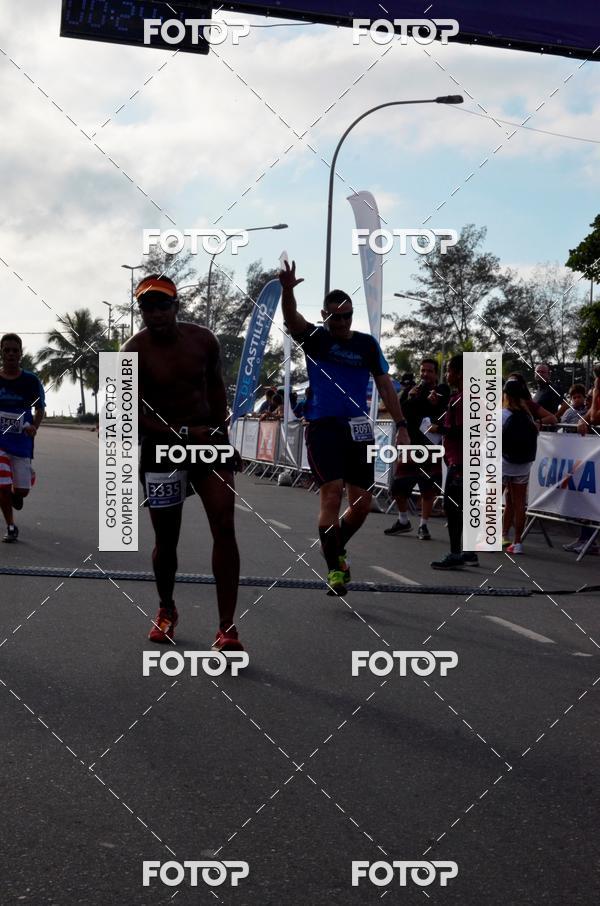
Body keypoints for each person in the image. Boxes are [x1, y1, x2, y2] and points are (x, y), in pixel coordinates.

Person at [122, 275, 244, 650]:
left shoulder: (204, 339)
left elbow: (216, 388)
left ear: (176, 307)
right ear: (140, 311)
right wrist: (177, 433)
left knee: (224, 523)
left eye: (162, 306)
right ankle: (167, 608)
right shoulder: (130, 350)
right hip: (163, 446)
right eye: (147, 307)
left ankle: (227, 627)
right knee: (166, 539)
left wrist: (220, 431)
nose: (155, 313)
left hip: (207, 441)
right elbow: (124, 411)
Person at [279, 260, 410, 596]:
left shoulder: (366, 345)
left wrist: (401, 425)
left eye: (346, 316)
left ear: (352, 315)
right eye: (334, 316)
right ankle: (336, 569)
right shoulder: (316, 339)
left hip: (359, 430)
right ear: (324, 315)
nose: (340, 322)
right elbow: (292, 319)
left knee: (363, 503)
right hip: (323, 427)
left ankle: (333, 548)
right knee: (332, 496)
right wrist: (287, 290)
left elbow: (385, 386)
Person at [384, 357, 449, 539]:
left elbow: (442, 409)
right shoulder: (410, 391)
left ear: (436, 374)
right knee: (397, 487)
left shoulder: (442, 391)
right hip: (410, 445)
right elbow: (402, 413)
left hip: (430, 447)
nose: (425, 374)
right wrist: (412, 397)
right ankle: (403, 520)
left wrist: (431, 402)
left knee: (427, 489)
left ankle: (424, 525)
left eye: (429, 371)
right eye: (423, 371)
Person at [430, 355, 478, 569]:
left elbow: (466, 431)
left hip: (460, 461)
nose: (447, 374)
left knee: (453, 507)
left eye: (449, 370)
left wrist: (440, 429)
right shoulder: (462, 397)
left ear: (460, 373)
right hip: (462, 460)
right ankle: (469, 552)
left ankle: (455, 553)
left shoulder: (464, 398)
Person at [0, 333, 45, 543]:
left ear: (20, 353)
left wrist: (34, 427)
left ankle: (18, 490)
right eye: (6, 350)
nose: (10, 354)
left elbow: (39, 409)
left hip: (22, 443)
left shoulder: (30, 381)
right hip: (0, 442)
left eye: (14, 350)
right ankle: (10, 525)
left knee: (21, 491)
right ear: (1, 353)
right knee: (1, 486)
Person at [501, 378, 539, 554]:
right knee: (518, 503)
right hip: (523, 464)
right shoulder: (528, 417)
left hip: (502, 462)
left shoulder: (501, 415)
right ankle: (517, 543)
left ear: (506, 395)